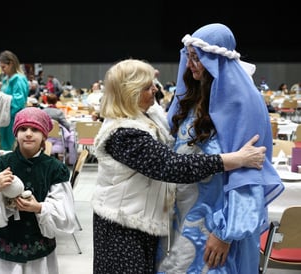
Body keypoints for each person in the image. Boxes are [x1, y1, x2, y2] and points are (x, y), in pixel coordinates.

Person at [91, 58, 267, 274]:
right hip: (123, 229)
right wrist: (235, 159)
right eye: (148, 87)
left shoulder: (145, 115)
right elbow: (172, 166)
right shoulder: (124, 133)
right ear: (131, 94)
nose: (156, 89)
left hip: (142, 220)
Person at [156, 23, 284, 274]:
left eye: (198, 57)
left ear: (215, 58)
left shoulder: (243, 102)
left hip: (215, 223)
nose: (191, 64)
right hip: (180, 217)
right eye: (189, 57)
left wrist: (226, 233)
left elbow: (249, 173)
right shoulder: (190, 99)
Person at [0, 107, 78, 274]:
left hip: (40, 252)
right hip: (7, 249)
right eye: (23, 129)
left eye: (35, 129)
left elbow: (65, 214)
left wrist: (39, 208)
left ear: (44, 135)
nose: (28, 134)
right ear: (16, 134)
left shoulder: (54, 169)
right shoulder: (0, 165)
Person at [0, 50, 29, 150]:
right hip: (4, 119)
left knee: (13, 149)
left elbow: (18, 102)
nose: (2, 70)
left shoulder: (18, 79)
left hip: (13, 120)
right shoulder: (6, 79)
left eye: (3, 67)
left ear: (11, 63)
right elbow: (5, 96)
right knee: (4, 149)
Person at [42, 93, 77, 165]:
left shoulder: (42, 111)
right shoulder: (59, 112)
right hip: (57, 137)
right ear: (56, 101)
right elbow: (66, 125)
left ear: (47, 101)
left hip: (45, 136)